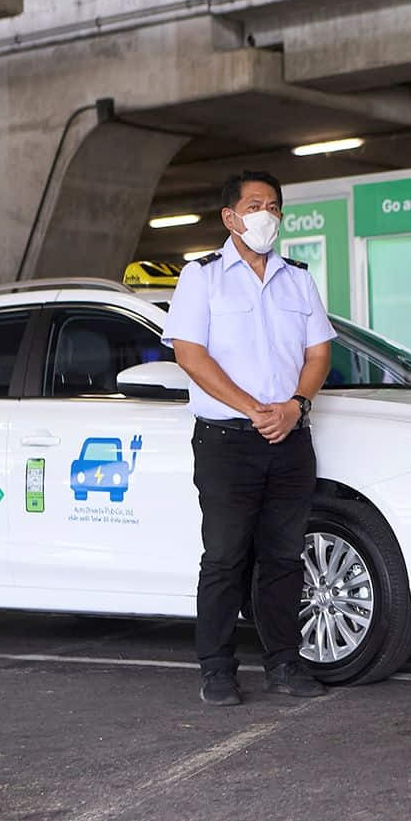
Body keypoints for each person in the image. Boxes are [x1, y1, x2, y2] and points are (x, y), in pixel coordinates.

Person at [162, 170, 336, 706]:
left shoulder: (299, 279)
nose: (269, 214)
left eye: (276, 206)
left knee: (284, 557)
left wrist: (295, 406)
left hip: (290, 438)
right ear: (230, 217)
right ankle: (217, 669)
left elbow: (318, 354)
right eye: (257, 204)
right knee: (225, 557)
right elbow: (189, 354)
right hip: (226, 441)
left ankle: (284, 663)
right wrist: (254, 409)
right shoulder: (203, 277)